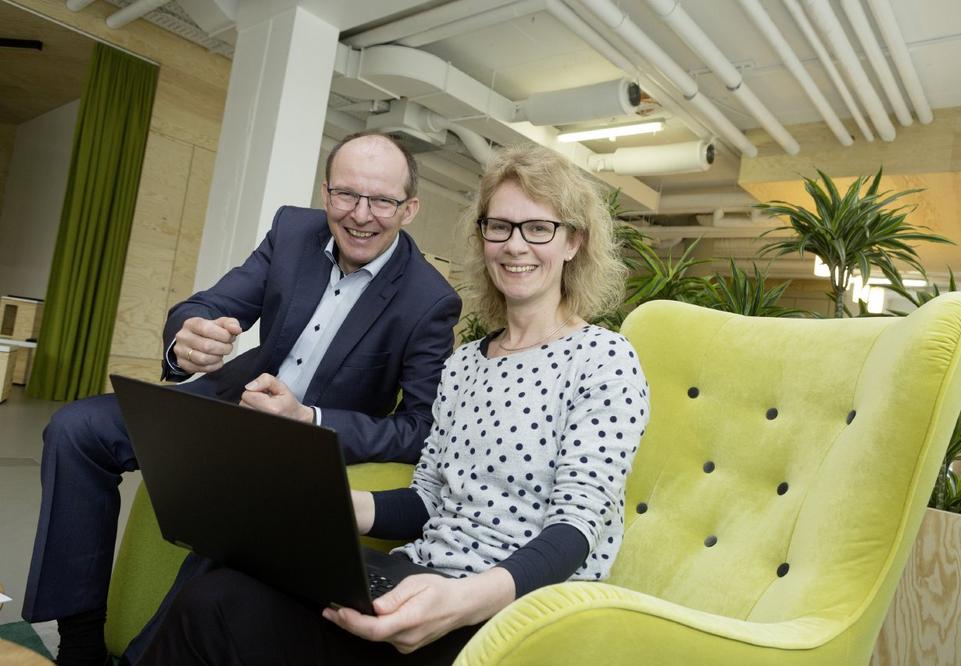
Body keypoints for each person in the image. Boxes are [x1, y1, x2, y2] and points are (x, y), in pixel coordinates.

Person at [137, 143, 651, 665]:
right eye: (499, 226)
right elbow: (426, 499)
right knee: (215, 600)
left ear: (573, 242)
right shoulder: (464, 364)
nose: (515, 245)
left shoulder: (604, 358)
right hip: (419, 576)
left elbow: (576, 529)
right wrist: (324, 505)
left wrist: (460, 601)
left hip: (512, 616)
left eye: (538, 228)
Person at [23, 131, 462, 666]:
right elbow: (206, 306)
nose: (360, 215)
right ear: (326, 191)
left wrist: (309, 417)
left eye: (382, 201)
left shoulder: (430, 300)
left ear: (409, 208)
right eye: (346, 194)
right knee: (76, 430)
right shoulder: (292, 230)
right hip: (226, 405)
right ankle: (80, 643)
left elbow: (420, 427)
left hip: (300, 445)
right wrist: (188, 338)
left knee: (238, 516)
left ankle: (145, 659)